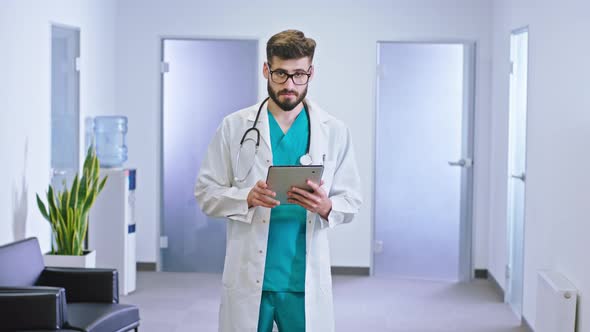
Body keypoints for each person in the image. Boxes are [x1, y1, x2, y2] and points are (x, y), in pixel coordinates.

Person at [195, 29, 362, 332]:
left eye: (299, 75)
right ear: (266, 70)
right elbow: (206, 193)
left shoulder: (334, 131)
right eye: (281, 74)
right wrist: (246, 197)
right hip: (250, 277)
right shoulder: (234, 127)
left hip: (302, 279)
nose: (289, 85)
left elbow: (351, 200)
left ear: (311, 73)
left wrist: (326, 206)